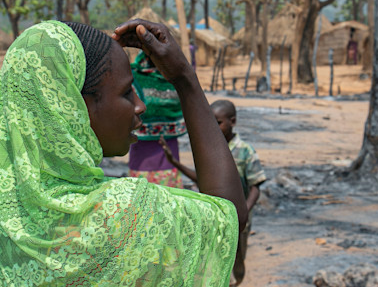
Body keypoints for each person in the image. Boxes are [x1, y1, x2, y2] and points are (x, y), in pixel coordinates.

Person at [0, 19, 247, 286]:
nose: (140, 106)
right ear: (73, 107)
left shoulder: (10, 209)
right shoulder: (122, 213)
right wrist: (184, 79)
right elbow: (228, 215)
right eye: (127, 92)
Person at [159, 99, 267, 286]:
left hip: (239, 219)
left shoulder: (245, 151)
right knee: (215, 256)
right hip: (215, 217)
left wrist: (243, 212)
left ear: (232, 122)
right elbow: (200, 179)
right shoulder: (210, 152)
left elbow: (256, 186)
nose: (215, 128)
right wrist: (175, 162)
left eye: (219, 123)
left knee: (237, 255)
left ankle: (236, 281)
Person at [128, 51, 186, 187]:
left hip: (168, 141)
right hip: (142, 143)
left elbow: (180, 102)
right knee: (142, 190)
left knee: (169, 192)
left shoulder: (174, 76)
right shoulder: (134, 75)